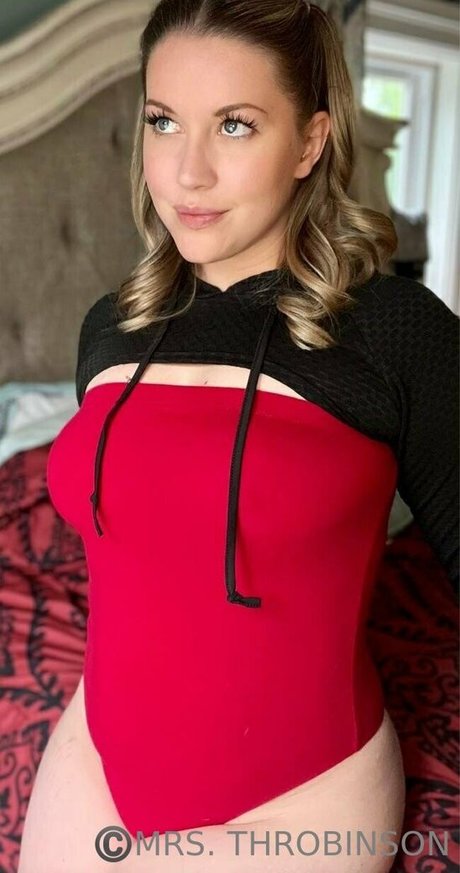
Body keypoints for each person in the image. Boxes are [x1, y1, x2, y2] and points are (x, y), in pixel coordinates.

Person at [18, 1, 458, 871]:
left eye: (234, 125)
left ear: (309, 143)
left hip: (304, 787)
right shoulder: (111, 327)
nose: (188, 171)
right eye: (162, 121)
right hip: (93, 760)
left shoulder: (394, 331)